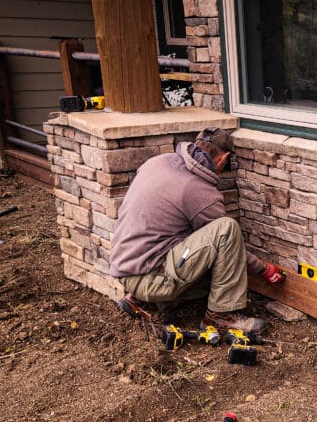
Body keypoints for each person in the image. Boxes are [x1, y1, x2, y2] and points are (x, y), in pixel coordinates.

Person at [109, 127, 285, 336]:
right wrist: (264, 269)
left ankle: (141, 300)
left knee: (209, 267)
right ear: (223, 158)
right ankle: (221, 315)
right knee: (226, 229)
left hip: (126, 270)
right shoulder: (199, 191)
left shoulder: (158, 162)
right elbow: (229, 246)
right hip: (152, 279)